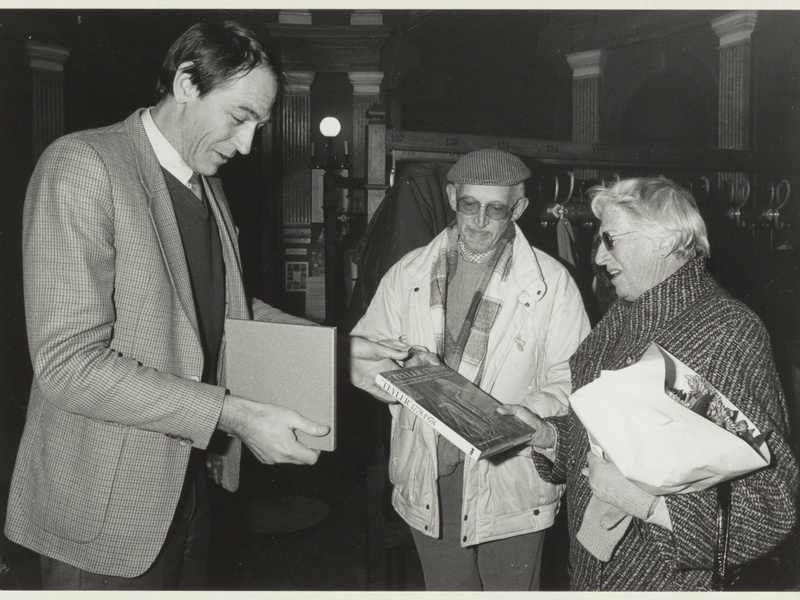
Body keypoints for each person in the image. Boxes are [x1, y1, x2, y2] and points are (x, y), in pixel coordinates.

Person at [5, 20, 350, 590]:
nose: (246, 145)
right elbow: (68, 367)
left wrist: (339, 352)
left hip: (189, 492)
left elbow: (221, 311)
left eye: (258, 126)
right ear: (188, 81)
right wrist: (232, 414)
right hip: (104, 509)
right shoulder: (83, 166)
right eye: (240, 118)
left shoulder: (204, 183)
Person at [500, 176, 800, 590]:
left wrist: (645, 503)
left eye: (611, 239)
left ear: (664, 240)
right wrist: (547, 435)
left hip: (666, 582)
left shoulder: (725, 333)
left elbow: (773, 502)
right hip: (592, 572)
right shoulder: (621, 319)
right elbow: (603, 440)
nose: (600, 257)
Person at [350, 149, 591, 590]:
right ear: (450, 197)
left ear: (517, 209)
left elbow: (574, 377)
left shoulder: (551, 284)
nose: (480, 221)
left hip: (510, 477)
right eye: (469, 205)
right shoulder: (409, 273)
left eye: (496, 209)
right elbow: (364, 355)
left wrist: (519, 416)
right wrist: (403, 377)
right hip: (430, 473)